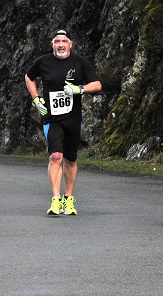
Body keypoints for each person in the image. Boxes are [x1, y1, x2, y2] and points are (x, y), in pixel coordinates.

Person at [24, 29, 101, 215]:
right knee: (56, 156)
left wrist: (79, 89)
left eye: (64, 41)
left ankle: (69, 198)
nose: (60, 44)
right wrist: (36, 99)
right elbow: (28, 77)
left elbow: (97, 84)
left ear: (70, 44)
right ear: (52, 44)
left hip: (73, 118)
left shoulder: (80, 62)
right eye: (57, 41)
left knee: (71, 159)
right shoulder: (43, 61)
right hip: (52, 118)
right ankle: (56, 200)